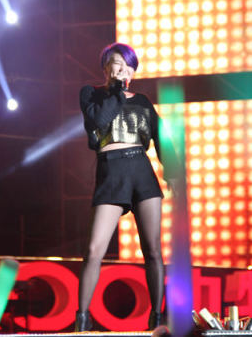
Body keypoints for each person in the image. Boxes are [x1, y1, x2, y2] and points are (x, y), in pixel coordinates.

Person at [76, 42, 178, 331]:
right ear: (106, 67)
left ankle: (155, 318)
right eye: (117, 64)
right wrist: (116, 91)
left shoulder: (143, 101)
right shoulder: (91, 94)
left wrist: (172, 172)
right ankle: (81, 319)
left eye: (128, 66)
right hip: (111, 171)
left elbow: (161, 135)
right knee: (94, 249)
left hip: (140, 171)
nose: (123, 70)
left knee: (153, 250)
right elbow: (99, 120)